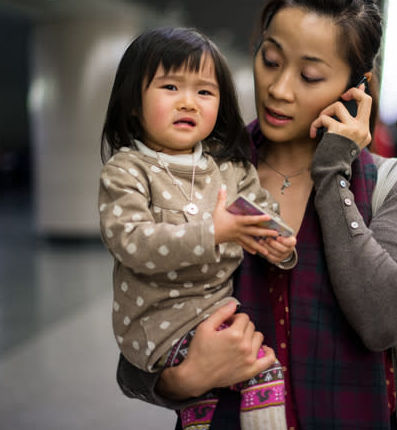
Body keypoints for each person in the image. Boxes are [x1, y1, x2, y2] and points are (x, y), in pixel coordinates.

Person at [115, 0, 397, 430]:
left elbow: (382, 321)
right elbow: (137, 327)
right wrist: (179, 380)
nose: (280, 89)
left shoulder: (392, 184)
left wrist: (332, 176)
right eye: (270, 59)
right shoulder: (194, 170)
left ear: (354, 87)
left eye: (310, 76)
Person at [98, 27, 298, 430]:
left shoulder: (230, 167)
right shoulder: (127, 170)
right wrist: (214, 231)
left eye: (205, 92)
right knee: (262, 370)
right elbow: (131, 242)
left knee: (257, 373)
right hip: (157, 325)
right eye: (170, 86)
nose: (188, 102)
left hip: (217, 314)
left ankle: (197, 409)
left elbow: (262, 212)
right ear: (133, 103)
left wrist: (277, 243)